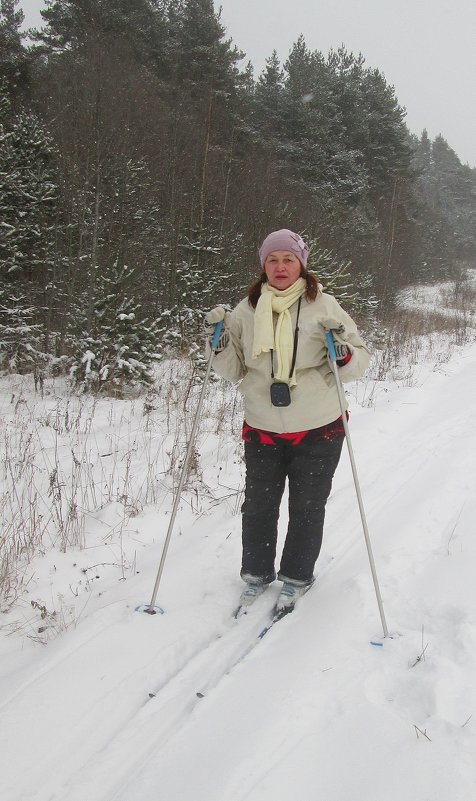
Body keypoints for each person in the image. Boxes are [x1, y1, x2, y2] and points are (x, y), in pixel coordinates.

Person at [206, 229, 370, 615]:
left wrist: (343, 352)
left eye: (288, 259)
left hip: (318, 425)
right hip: (262, 424)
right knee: (259, 506)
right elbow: (232, 370)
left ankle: (297, 576)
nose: (280, 267)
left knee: (308, 505)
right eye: (273, 260)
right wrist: (219, 343)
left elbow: (360, 361)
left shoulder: (325, 306)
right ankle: (256, 575)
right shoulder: (246, 310)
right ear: (263, 265)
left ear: (301, 264)